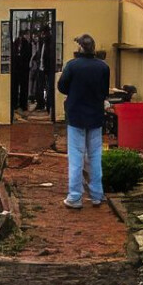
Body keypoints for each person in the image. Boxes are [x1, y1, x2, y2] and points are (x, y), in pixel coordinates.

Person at [57, 34, 109, 209]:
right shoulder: (103, 67)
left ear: (79, 48)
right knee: (95, 156)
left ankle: (75, 197)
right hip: (95, 116)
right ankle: (96, 195)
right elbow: (104, 92)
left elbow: (62, 87)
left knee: (76, 156)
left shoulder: (72, 66)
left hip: (76, 116)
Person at [11, 29, 32, 117]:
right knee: (20, 87)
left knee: (20, 87)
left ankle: (18, 104)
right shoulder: (22, 43)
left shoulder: (24, 43)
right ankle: (19, 104)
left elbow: (27, 55)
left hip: (20, 68)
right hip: (20, 68)